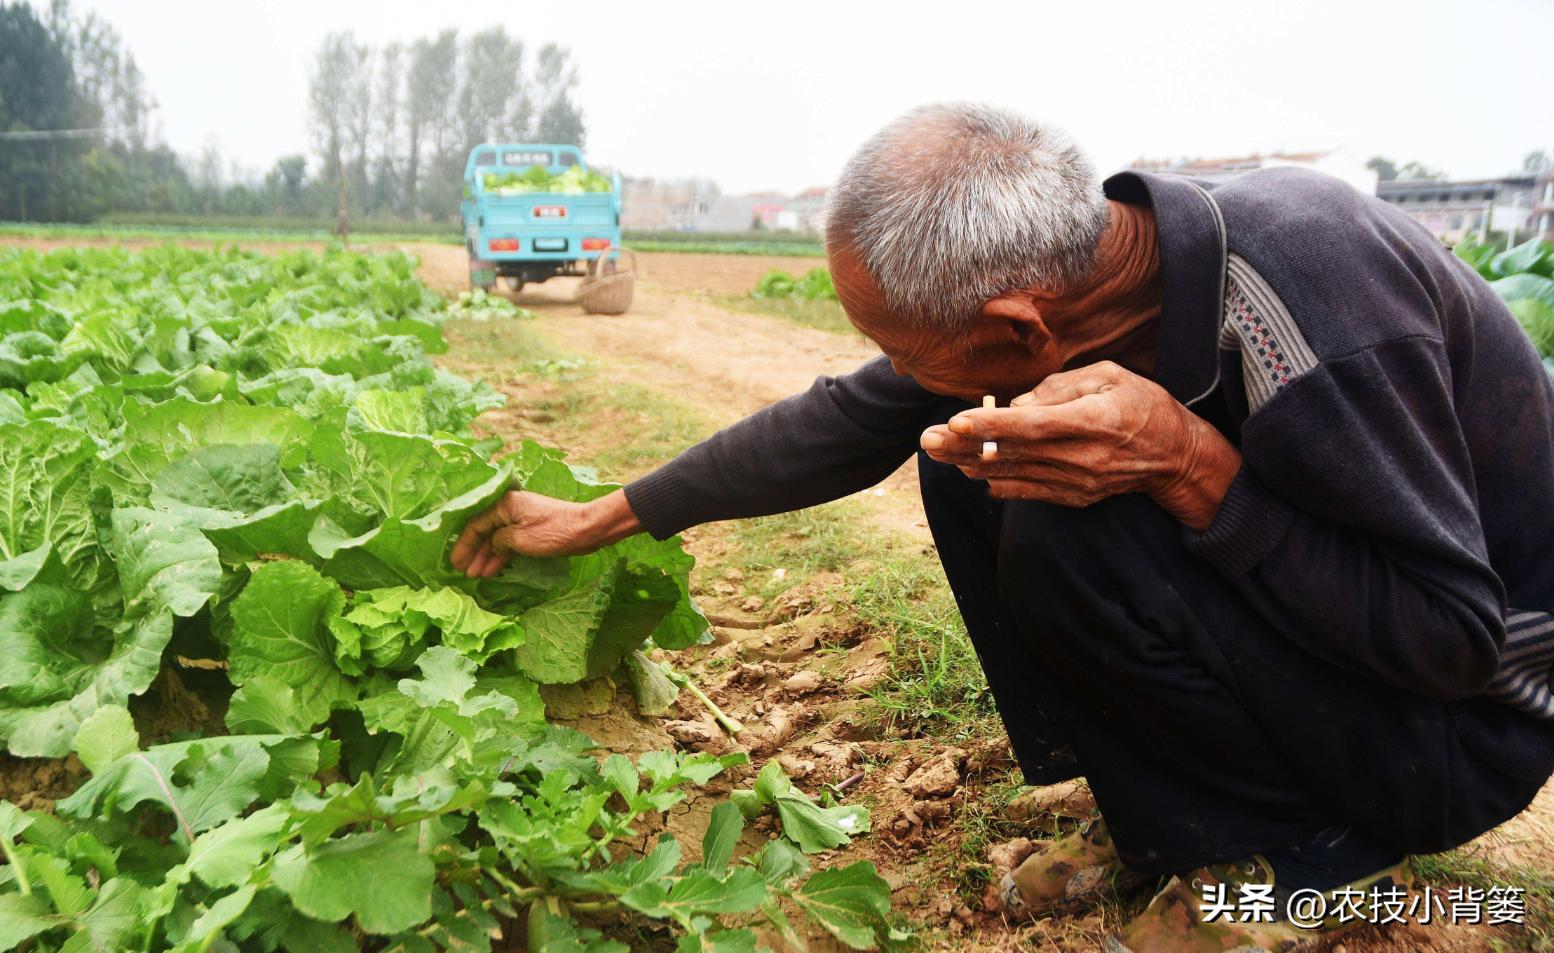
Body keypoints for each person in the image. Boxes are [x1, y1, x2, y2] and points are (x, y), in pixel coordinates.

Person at [451, 103, 1554, 952]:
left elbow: (1453, 640)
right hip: (1353, 666)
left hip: (1458, 729)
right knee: (976, 462)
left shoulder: (1315, 311)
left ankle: (1316, 859)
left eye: (905, 348)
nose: (897, 370)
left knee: (1070, 519)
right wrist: (601, 516)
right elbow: (846, 420)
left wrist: (1190, 464)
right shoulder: (1096, 266)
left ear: (1019, 326)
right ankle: (1170, 815)